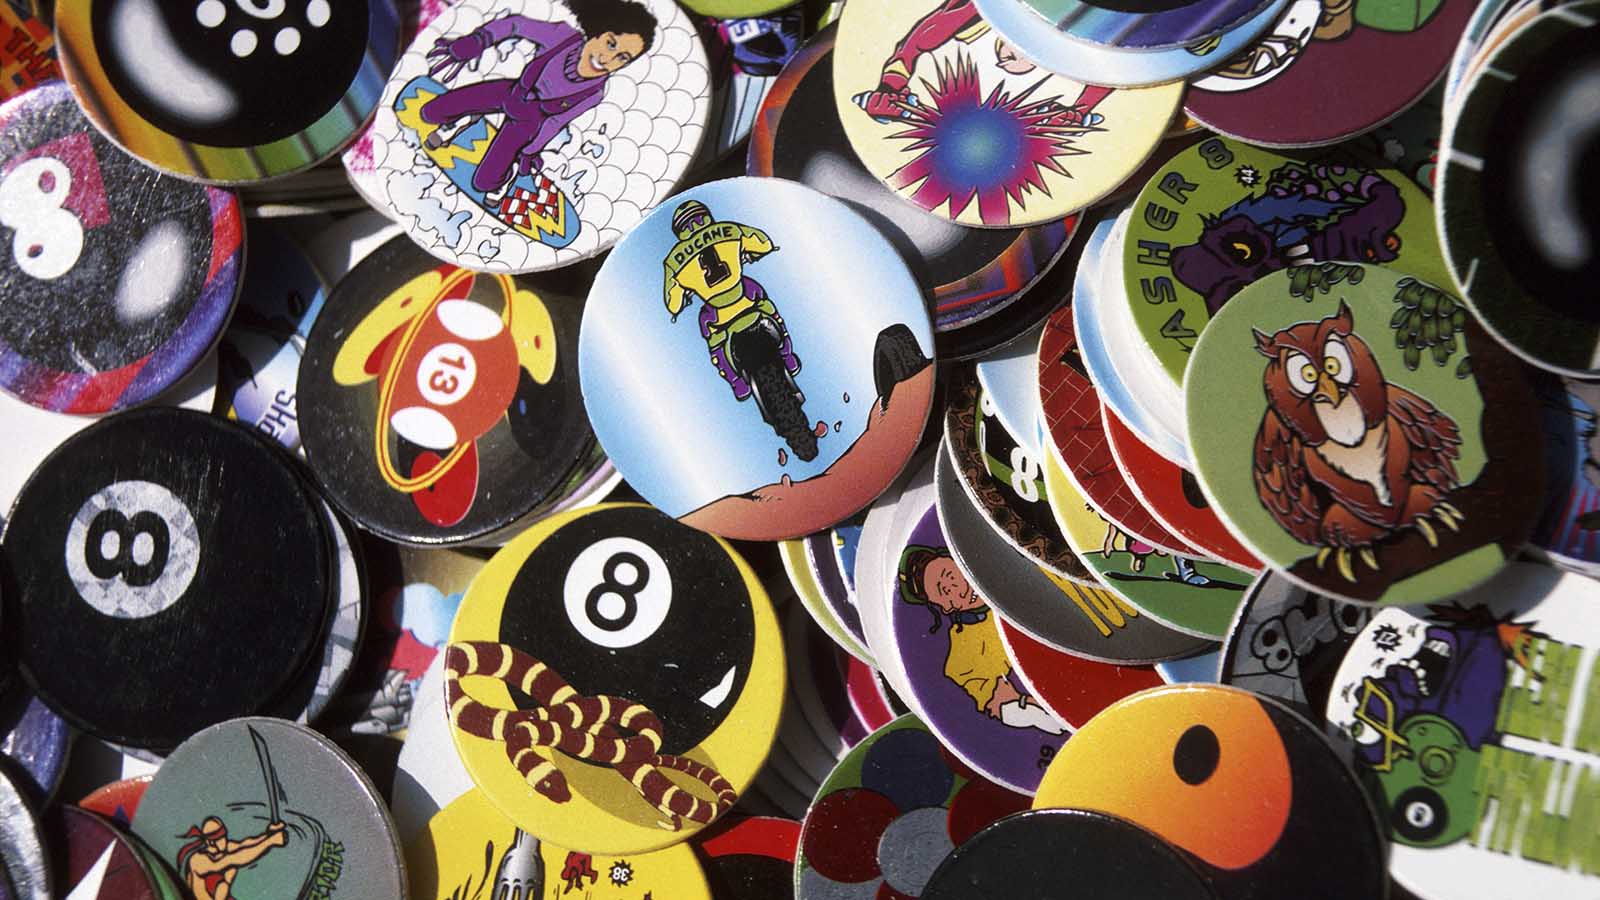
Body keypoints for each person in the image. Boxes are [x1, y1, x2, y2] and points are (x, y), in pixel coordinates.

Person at [420, 0, 658, 202]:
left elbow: (556, 122)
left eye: (622, 58)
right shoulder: (563, 37)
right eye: (610, 43)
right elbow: (516, 24)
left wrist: (529, 151)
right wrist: (479, 40)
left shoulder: (594, 93)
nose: (608, 58)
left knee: (484, 183)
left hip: (528, 122)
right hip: (513, 92)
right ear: (597, 31)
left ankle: (507, 170)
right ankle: (461, 120)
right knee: (430, 113)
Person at [898, 545, 1065, 734]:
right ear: (946, 608)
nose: (960, 590)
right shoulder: (963, 658)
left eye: (951, 575)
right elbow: (1003, 705)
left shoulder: (1011, 564)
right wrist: (1025, 707)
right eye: (946, 592)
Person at [176, 816, 288, 900]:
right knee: (228, 874)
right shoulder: (198, 860)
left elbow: (245, 843)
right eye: (220, 838)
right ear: (210, 842)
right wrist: (271, 841)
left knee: (227, 877)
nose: (225, 841)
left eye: (224, 836)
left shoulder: (223, 847)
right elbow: (236, 858)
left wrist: (269, 834)